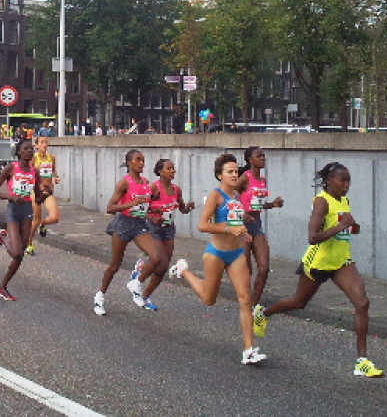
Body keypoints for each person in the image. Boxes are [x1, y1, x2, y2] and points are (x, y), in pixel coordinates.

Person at [251, 162, 383, 377]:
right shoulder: (322, 202)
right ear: (329, 181)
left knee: (362, 303)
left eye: (349, 181)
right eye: (343, 180)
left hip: (342, 262)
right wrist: (341, 226)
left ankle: (362, 361)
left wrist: (353, 227)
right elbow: (312, 237)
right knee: (298, 302)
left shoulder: (344, 200)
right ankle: (263, 313)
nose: (347, 185)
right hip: (318, 262)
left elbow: (345, 229)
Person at [167, 153, 265, 365]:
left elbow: (235, 222)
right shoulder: (215, 195)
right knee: (209, 300)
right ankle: (184, 270)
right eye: (230, 172)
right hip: (216, 254)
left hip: (237, 254)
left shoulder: (236, 196)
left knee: (245, 299)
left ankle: (248, 350)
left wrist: (243, 231)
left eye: (236, 171)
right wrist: (229, 228)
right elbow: (203, 225)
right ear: (220, 175)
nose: (234, 175)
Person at [93, 149, 165, 316]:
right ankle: (100, 296)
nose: (141, 163)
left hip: (139, 225)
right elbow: (110, 208)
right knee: (115, 265)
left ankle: (136, 283)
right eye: (137, 160)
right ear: (129, 163)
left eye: (143, 160)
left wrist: (153, 214)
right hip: (123, 224)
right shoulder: (124, 183)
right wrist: (131, 204)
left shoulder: (146, 182)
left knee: (157, 258)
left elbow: (144, 207)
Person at [129, 158, 194, 310]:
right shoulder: (153, 188)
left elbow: (182, 208)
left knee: (163, 268)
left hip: (169, 228)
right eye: (169, 168)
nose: (172, 171)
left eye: (173, 168)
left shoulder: (176, 190)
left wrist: (188, 208)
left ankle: (145, 296)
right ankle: (138, 277)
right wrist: (152, 217)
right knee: (161, 261)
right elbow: (140, 209)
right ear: (160, 171)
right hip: (153, 229)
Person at [0, 139, 45, 300]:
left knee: (20, 255)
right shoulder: (11, 168)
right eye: (26, 149)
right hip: (13, 209)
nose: (30, 151)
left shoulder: (35, 172)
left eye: (31, 149)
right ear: (19, 152)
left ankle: (2, 287)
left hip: (27, 210)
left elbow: (38, 198)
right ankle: (3, 238)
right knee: (17, 252)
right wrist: (12, 197)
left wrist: (45, 194)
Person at [238, 146, 284, 308]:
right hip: (242, 226)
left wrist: (273, 204)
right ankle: (245, 301)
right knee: (246, 270)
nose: (263, 158)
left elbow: (258, 204)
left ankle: (253, 305)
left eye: (263, 155)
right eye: (259, 156)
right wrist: (241, 213)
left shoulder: (263, 180)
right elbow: (229, 196)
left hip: (256, 226)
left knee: (264, 269)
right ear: (250, 160)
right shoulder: (245, 177)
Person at [27, 136, 61, 256]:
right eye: (41, 142)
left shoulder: (52, 158)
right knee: (35, 220)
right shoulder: (34, 158)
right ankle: (29, 244)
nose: (44, 144)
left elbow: (53, 170)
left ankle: (43, 224)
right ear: (36, 145)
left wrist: (56, 178)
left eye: (46, 142)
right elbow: (28, 173)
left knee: (55, 217)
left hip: (48, 191)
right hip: (36, 191)